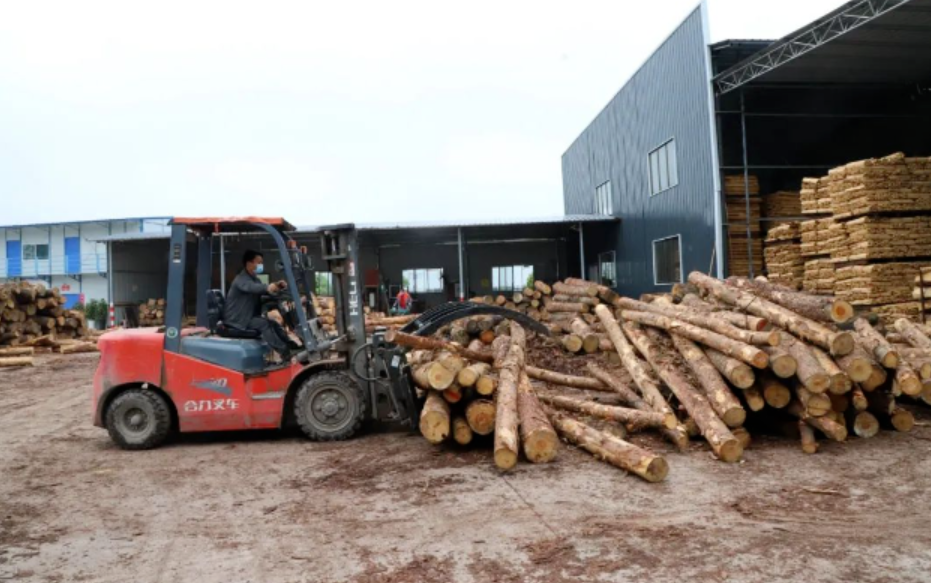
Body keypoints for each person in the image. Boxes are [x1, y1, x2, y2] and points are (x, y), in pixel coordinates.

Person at [223, 250, 293, 362]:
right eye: (258, 262)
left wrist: (278, 288)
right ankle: (285, 352)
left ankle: (291, 346)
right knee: (264, 324)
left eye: (261, 263)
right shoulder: (241, 279)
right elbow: (253, 288)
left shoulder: (255, 279)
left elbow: (262, 292)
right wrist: (268, 287)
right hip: (238, 320)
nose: (261, 265)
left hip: (247, 317)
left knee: (273, 323)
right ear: (249, 263)